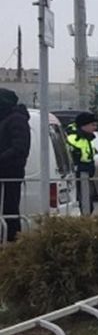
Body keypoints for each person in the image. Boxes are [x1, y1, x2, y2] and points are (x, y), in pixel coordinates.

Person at [0, 88, 30, 242]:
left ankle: (12, 242)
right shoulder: (5, 118)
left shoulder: (16, 119)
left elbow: (19, 148)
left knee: (9, 210)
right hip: (5, 172)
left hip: (10, 173)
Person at [67, 111, 98, 214]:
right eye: (92, 125)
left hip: (85, 176)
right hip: (77, 178)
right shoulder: (74, 139)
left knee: (87, 206)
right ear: (84, 125)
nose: (95, 128)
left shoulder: (86, 138)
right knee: (83, 206)